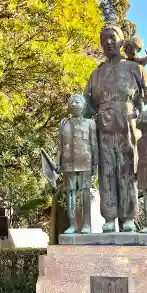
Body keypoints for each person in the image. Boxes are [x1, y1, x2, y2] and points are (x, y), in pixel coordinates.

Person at [84, 25, 147, 233]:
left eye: (112, 38)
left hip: (127, 126)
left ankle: (128, 218)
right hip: (103, 128)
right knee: (106, 173)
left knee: (127, 172)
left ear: (122, 41)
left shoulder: (135, 69)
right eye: (103, 39)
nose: (108, 42)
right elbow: (88, 103)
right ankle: (109, 217)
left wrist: (135, 107)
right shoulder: (96, 73)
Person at [56, 94, 98, 234]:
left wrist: (95, 163)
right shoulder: (64, 124)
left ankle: (87, 224)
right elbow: (60, 146)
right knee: (70, 195)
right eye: (71, 102)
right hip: (68, 163)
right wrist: (58, 163)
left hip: (85, 161)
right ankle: (72, 224)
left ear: (84, 105)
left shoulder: (90, 123)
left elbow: (94, 144)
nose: (73, 104)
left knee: (85, 194)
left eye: (77, 102)